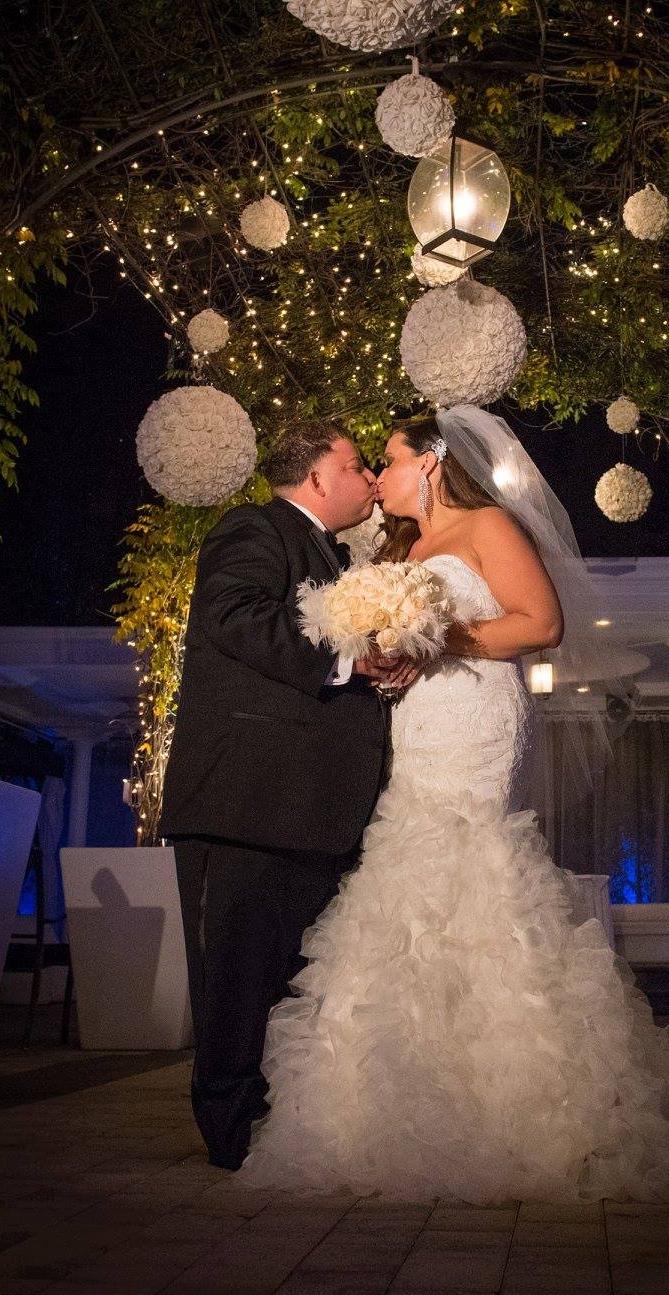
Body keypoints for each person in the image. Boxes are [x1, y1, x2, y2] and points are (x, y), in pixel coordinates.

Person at [238, 404, 669, 1204]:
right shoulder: (396, 544)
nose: (378, 476)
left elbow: (543, 622)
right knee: (407, 878)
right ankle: (402, 1101)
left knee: (476, 866)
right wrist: (383, 649)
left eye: (386, 459)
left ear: (429, 462)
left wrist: (437, 637)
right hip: (413, 727)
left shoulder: (487, 524)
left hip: (477, 721)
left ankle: (545, 1106)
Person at [160, 419, 413, 1171]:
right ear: (315, 478)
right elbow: (233, 615)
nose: (369, 477)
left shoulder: (339, 555)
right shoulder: (254, 528)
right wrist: (351, 655)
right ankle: (234, 1136)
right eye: (355, 464)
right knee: (235, 983)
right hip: (246, 803)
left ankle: (281, 1129)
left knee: (291, 981)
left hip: (312, 812)